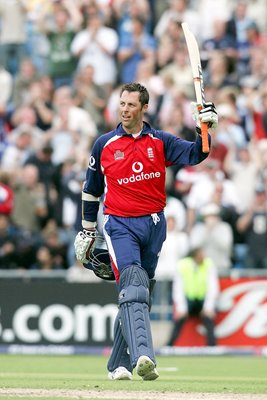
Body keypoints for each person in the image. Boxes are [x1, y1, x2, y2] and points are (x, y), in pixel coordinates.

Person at [74, 82, 218, 381]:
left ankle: (117, 364)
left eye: (130, 105)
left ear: (144, 108)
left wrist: (203, 126)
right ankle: (144, 356)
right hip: (119, 223)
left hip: (154, 224)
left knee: (137, 294)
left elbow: (197, 154)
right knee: (134, 285)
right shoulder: (105, 144)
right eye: (122, 104)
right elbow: (91, 191)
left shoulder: (160, 141)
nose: (124, 110)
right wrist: (88, 230)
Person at [167, 247, 219, 347]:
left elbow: (213, 287)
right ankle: (169, 346)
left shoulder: (208, 264)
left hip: (203, 300)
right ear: (194, 256)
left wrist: (208, 307)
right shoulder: (182, 265)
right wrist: (181, 308)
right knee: (179, 319)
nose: (203, 257)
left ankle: (212, 346)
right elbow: (178, 288)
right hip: (188, 300)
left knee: (209, 318)